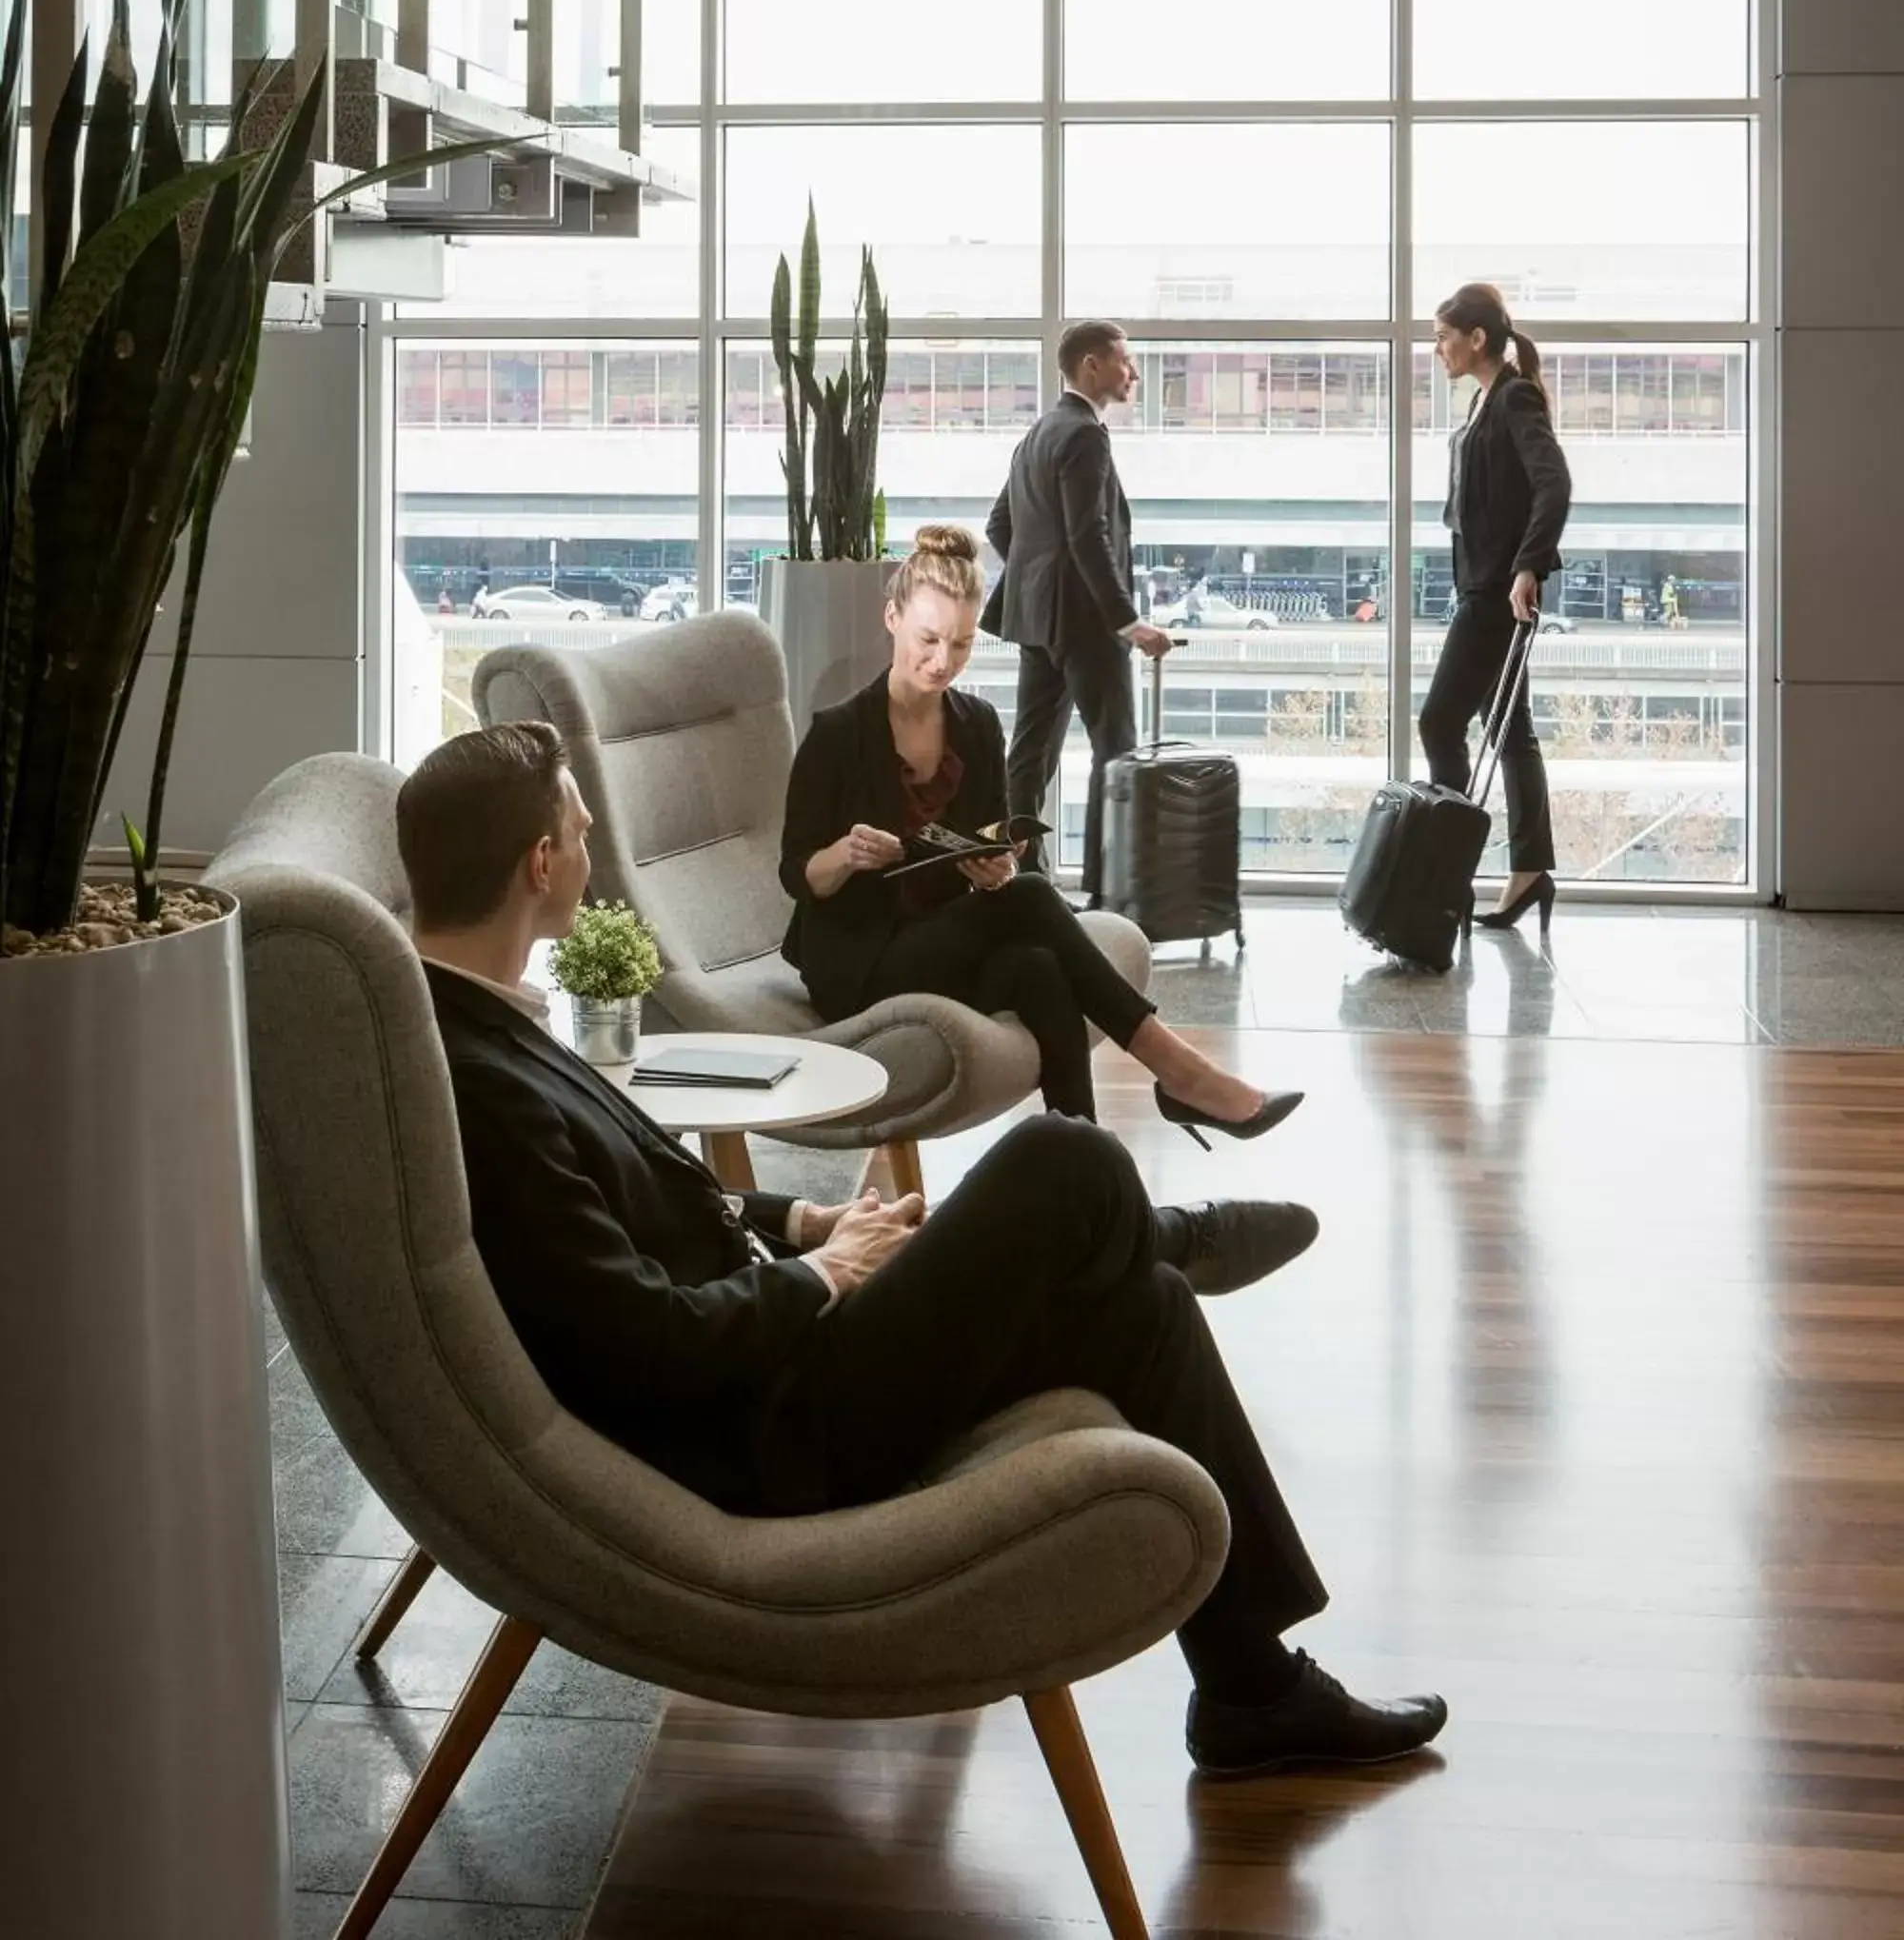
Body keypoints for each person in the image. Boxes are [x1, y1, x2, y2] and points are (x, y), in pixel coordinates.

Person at [395, 718, 1449, 1780]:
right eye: (578, 833)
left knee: (1144, 1309)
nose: (587, 853)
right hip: (764, 1432)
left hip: (769, 1362)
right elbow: (637, 1341)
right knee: (1059, 1161)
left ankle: (1250, 1687)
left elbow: (639, 1219)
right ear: (538, 865)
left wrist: (804, 1226)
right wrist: (820, 1278)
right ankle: (1163, 1236)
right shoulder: (482, 1083)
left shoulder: (486, 1031)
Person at [780, 523, 1300, 1143]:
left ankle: (1087, 1181)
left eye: (962, 644)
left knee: (1039, 970)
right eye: (927, 639)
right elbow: (795, 872)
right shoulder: (837, 734)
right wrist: (841, 856)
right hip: (858, 964)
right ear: (891, 617)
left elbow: (990, 842)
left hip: (938, 942)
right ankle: (1180, 1071)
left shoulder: (975, 725)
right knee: (1030, 898)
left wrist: (993, 866)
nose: (943, 661)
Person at [982, 319, 1169, 914]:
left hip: (1037, 622)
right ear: (1091, 365)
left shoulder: (1037, 434)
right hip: (1086, 625)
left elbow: (1000, 527)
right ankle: (1108, 890)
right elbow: (1089, 536)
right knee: (1116, 753)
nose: (1132, 372)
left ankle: (1025, 876)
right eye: (1124, 360)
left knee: (1030, 754)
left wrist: (1040, 582)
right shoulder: (1085, 436)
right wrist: (1126, 621)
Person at [1420, 282, 1573, 938]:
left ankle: (1449, 876)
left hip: (1496, 595)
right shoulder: (1490, 400)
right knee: (1512, 734)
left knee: (1437, 723)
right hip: (1482, 588)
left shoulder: (1513, 396)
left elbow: (1553, 480)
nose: (1436, 350)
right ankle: (1531, 869)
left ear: (1476, 337)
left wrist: (1528, 565)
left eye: (1442, 337)